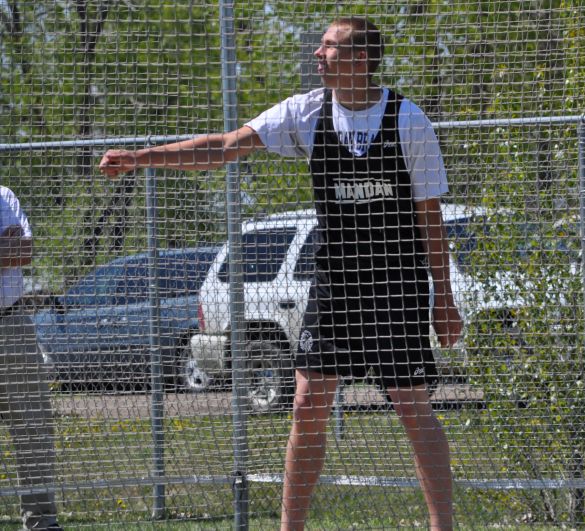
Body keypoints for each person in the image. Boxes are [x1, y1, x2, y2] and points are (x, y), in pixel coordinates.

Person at [99, 16, 461, 530]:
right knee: (307, 406)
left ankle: (441, 526)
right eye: (319, 46)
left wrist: (442, 299)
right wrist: (141, 157)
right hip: (335, 282)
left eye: (329, 47)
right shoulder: (307, 111)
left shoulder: (408, 121)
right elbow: (225, 147)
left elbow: (430, 217)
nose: (318, 54)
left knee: (411, 407)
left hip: (395, 282)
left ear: (360, 59)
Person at [0, 186, 63, 531]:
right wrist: (3, 243)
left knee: (33, 430)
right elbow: (11, 247)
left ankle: (41, 522)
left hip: (13, 324)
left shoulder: (4, 196)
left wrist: (13, 245)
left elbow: (25, 250)